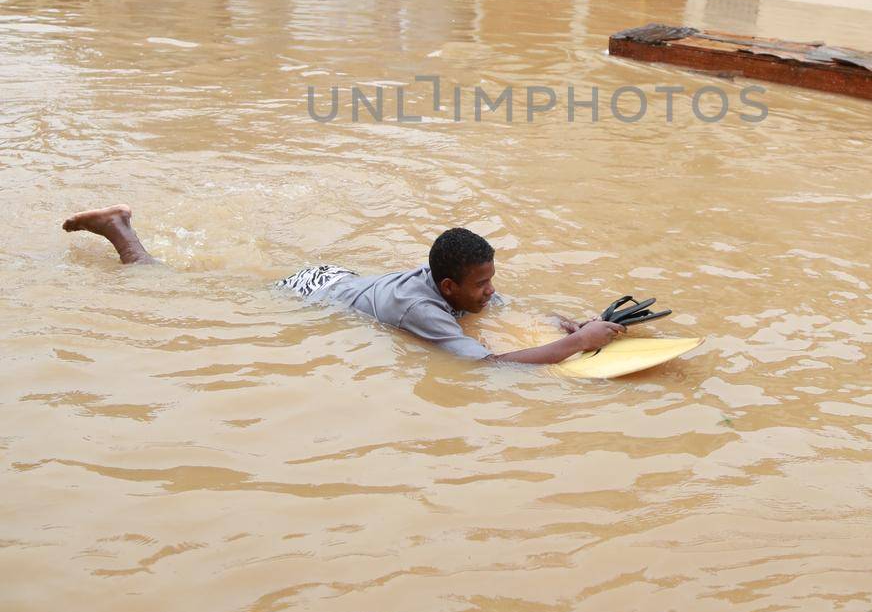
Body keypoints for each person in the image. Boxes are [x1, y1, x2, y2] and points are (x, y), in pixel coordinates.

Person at [61, 208, 623, 367]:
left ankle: (121, 228)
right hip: (309, 293)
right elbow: (488, 366)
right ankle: (121, 232)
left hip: (335, 278)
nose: (490, 290)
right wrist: (578, 345)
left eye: (491, 278)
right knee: (170, 288)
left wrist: (560, 323)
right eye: (481, 284)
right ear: (448, 286)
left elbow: (499, 308)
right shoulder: (422, 308)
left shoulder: (456, 284)